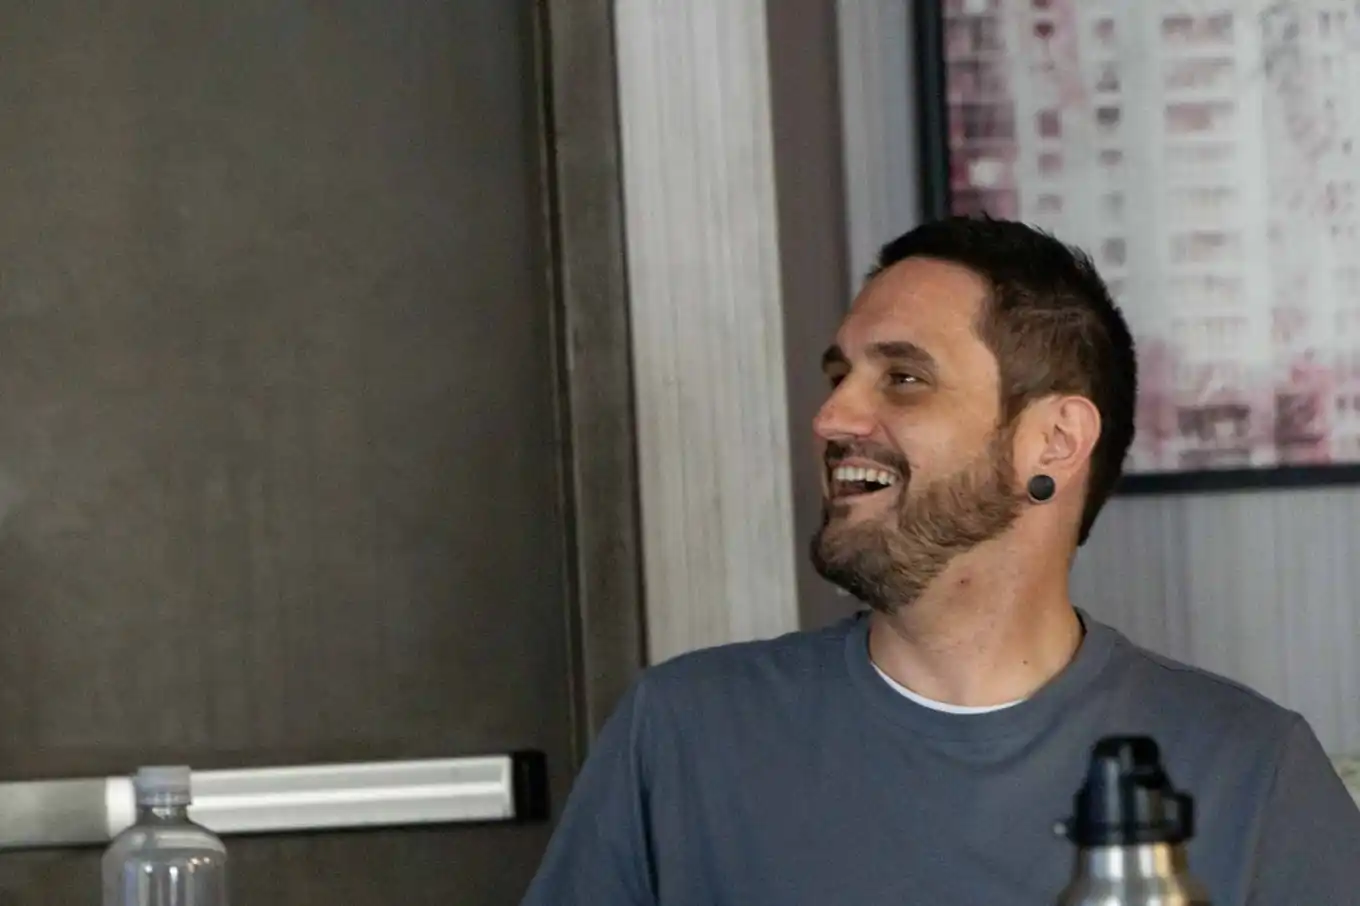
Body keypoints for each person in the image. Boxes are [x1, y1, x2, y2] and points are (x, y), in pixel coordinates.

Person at [520, 216, 1360, 905]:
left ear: (1054, 440)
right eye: (839, 375)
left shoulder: (1251, 768)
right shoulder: (682, 733)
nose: (832, 417)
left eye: (903, 379)